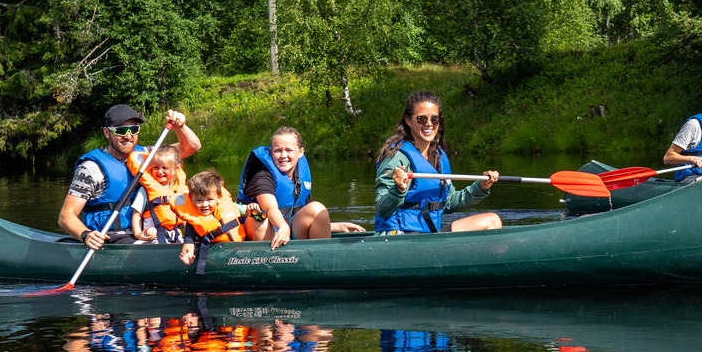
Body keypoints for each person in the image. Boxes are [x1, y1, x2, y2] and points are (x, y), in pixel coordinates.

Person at [58, 103, 202, 251]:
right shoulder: (91, 168)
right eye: (121, 131)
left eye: (133, 129)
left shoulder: (149, 156)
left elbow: (191, 147)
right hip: (111, 236)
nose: (128, 136)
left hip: (148, 231)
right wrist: (86, 235)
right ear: (107, 132)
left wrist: (180, 127)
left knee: (201, 238)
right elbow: (66, 216)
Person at [374, 91, 501, 233]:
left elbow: (449, 201)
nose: (429, 124)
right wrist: (398, 190)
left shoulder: (438, 156)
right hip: (399, 234)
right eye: (421, 119)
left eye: (434, 119)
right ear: (408, 120)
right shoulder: (396, 157)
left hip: (428, 234)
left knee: (492, 220)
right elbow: (382, 208)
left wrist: (481, 187)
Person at [237, 127, 365, 246]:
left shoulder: (300, 176)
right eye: (278, 151)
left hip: (288, 230)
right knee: (258, 218)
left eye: (288, 150)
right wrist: (283, 227)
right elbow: (270, 208)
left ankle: (319, 256)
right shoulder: (262, 176)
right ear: (271, 152)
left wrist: (339, 227)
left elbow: (303, 215)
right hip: (267, 231)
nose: (283, 155)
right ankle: (273, 258)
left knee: (316, 208)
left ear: (300, 152)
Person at [177, 168, 247, 266]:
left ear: (219, 198)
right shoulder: (193, 220)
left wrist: (252, 209)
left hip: (240, 250)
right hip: (215, 255)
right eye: (199, 200)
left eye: (209, 200)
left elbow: (248, 211)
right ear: (191, 199)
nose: (204, 205)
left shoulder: (230, 207)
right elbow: (189, 241)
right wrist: (187, 255)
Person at [130, 144, 188, 244]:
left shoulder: (179, 190)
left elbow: (184, 216)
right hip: (153, 235)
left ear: (176, 169)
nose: (160, 172)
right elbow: (137, 214)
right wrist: (138, 233)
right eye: (156, 168)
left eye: (164, 168)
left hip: (175, 233)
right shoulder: (145, 190)